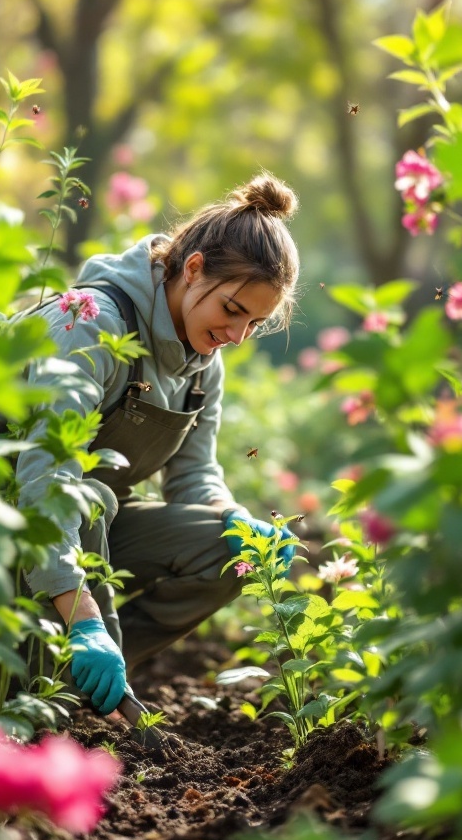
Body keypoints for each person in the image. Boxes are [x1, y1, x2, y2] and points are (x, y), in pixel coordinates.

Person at [16, 172, 300, 717]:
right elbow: (43, 484)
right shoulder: (90, 325)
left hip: (85, 529)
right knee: (88, 503)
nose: (237, 337)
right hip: (3, 526)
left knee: (226, 550)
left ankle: (65, 685)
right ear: (193, 270)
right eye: (234, 312)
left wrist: (236, 519)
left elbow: (194, 474)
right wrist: (87, 622)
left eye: (256, 325)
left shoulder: (200, 363)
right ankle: (28, 657)